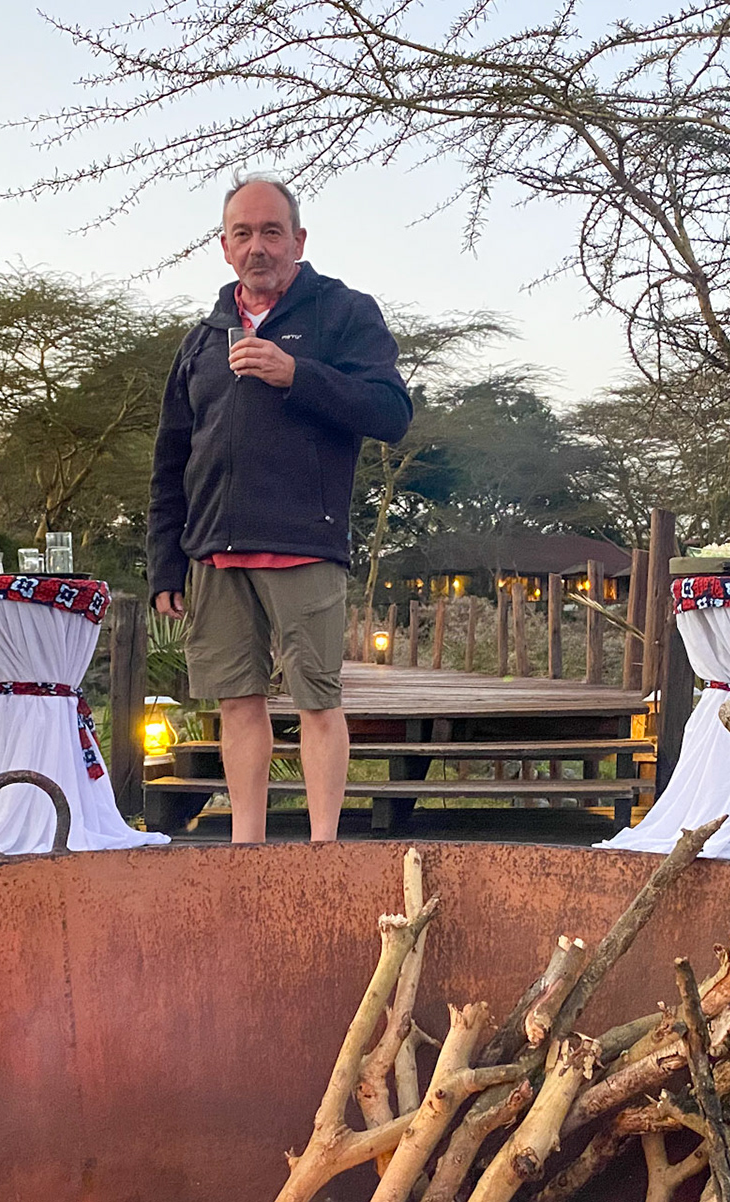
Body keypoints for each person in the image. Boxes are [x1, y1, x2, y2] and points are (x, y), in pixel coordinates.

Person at [149, 176, 412, 842]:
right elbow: (171, 457)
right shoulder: (203, 339)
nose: (258, 246)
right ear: (224, 247)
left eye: (271, 232)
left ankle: (322, 850)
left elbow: (391, 412)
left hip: (305, 543)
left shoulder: (343, 314)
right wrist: (164, 565)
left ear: (298, 240)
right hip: (214, 549)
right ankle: (249, 848)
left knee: (318, 702)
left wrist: (300, 376)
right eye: (243, 233)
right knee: (236, 704)